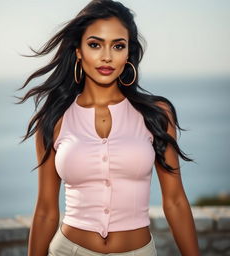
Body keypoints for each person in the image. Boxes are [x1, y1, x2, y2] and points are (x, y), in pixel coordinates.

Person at [15, 0, 201, 255]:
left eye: (118, 46)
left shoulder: (156, 115)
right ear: (78, 50)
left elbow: (176, 201)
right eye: (95, 44)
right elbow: (46, 209)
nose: (107, 56)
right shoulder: (54, 119)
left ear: (128, 53)